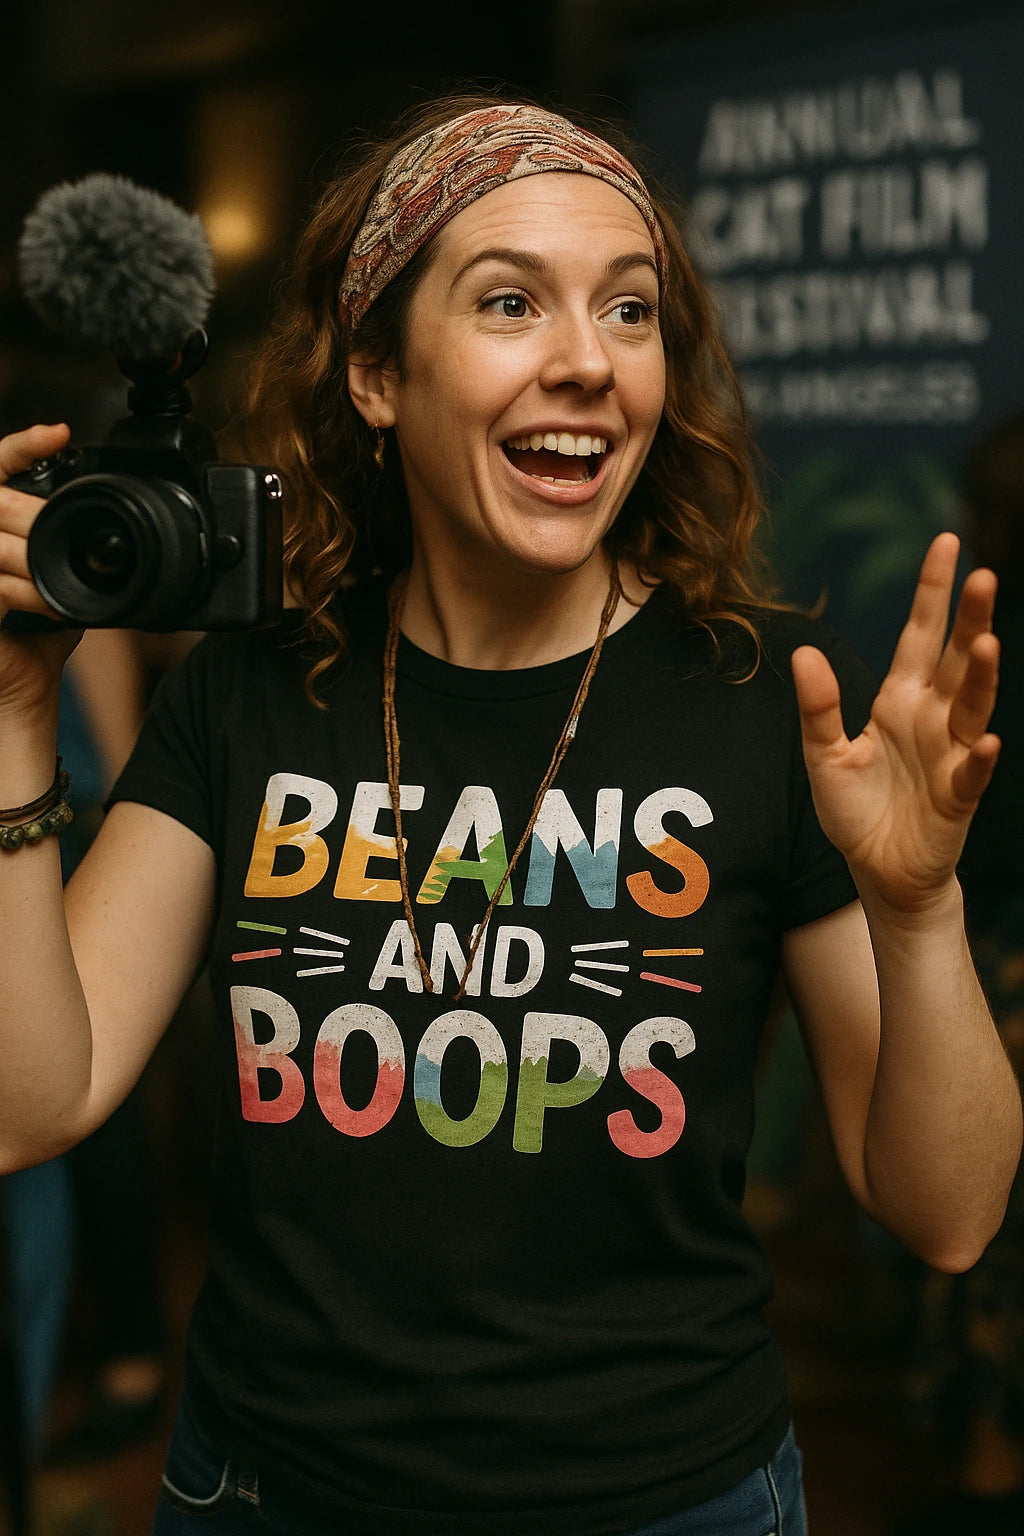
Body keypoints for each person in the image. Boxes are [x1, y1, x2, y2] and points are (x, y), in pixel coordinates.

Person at [0, 93, 1019, 1536]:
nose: (588, 361)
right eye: (508, 303)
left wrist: (920, 913)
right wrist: (13, 718)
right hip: (270, 1492)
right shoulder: (254, 691)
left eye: (629, 310)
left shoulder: (755, 702)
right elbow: (28, 1101)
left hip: (670, 1503)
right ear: (375, 372)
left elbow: (951, 1215)